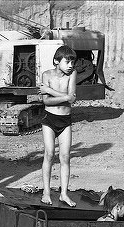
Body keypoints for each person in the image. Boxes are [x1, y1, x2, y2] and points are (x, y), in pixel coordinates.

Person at [39, 45, 77, 207]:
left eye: (72, 63)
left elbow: (72, 99)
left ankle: (63, 194)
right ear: (56, 61)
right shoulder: (46, 75)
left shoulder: (72, 75)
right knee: (49, 154)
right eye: (67, 62)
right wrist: (66, 96)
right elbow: (46, 101)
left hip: (65, 120)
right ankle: (46, 192)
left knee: (65, 157)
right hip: (50, 119)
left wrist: (50, 90)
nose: (70, 66)